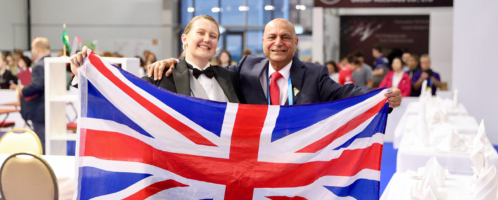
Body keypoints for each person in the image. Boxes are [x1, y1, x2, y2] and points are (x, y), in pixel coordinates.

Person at [146, 18, 402, 108]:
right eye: (272, 37)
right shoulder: (244, 69)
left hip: (296, 164)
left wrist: (383, 96)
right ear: (263, 42)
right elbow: (199, 67)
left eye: (285, 37)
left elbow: (345, 92)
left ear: (295, 43)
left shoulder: (314, 74)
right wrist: (173, 62)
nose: (278, 42)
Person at [71, 15, 241, 103]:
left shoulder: (230, 77)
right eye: (201, 33)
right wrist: (84, 73)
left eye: (213, 36)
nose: (207, 39)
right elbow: (123, 93)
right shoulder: (162, 75)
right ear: (184, 39)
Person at [20, 37, 51, 153]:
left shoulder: (39, 66)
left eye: (32, 47)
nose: (31, 50)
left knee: (42, 141)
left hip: (39, 110)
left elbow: (37, 86)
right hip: (48, 110)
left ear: (38, 47)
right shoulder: (50, 62)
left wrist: (23, 89)